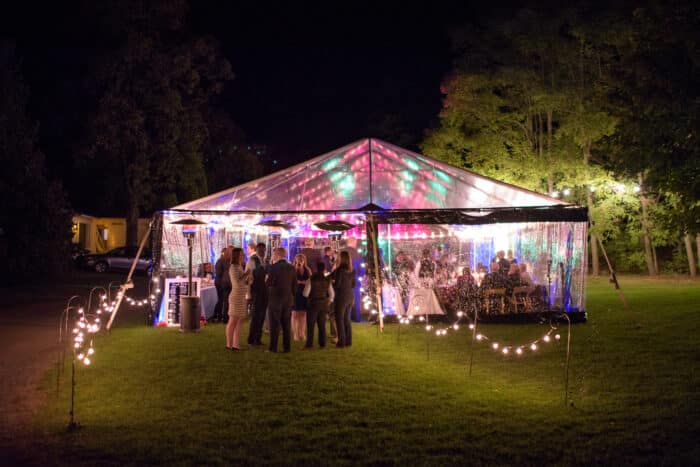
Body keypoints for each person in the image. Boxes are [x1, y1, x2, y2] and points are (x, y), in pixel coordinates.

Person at [266, 247, 296, 353]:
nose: (272, 256)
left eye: (274, 254)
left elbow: (269, 283)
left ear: (277, 254)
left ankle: (273, 348)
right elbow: (294, 285)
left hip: (275, 298)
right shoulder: (291, 267)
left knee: (274, 324)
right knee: (286, 324)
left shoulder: (273, 267)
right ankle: (286, 348)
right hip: (288, 299)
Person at [302, 262, 334, 348]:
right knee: (322, 325)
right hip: (323, 304)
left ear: (316, 268)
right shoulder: (327, 280)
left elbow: (305, 293)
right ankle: (322, 343)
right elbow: (331, 294)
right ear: (324, 269)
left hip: (313, 304)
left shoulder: (311, 279)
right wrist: (329, 301)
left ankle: (309, 344)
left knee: (310, 325)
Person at [226, 247, 250, 350]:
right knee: (233, 320)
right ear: (236, 255)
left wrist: (247, 280)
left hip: (241, 296)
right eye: (241, 254)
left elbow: (242, 281)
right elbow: (237, 282)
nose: (243, 255)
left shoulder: (239, 266)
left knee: (239, 321)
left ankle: (236, 344)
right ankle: (229, 344)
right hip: (236, 297)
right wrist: (246, 274)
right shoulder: (233, 267)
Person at [332, 251, 356, 348]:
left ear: (341, 258)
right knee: (347, 319)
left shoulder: (339, 270)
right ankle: (348, 341)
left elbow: (337, 285)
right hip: (350, 296)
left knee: (339, 319)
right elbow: (353, 284)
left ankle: (341, 341)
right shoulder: (352, 270)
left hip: (341, 297)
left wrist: (332, 282)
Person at [246, 242, 268, 346]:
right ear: (257, 250)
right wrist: (248, 295)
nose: (263, 252)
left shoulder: (265, 260)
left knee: (262, 316)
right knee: (255, 316)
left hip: (265, 292)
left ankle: (258, 339)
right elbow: (249, 278)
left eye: (264, 250)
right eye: (261, 250)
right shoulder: (252, 260)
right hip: (255, 291)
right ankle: (251, 339)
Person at [291, 253, 311, 341]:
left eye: (301, 260)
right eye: (298, 260)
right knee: (295, 314)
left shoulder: (307, 270)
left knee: (303, 314)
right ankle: (295, 334)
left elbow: (310, 281)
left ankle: (302, 333)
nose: (299, 262)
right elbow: (291, 280)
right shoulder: (292, 269)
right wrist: (296, 268)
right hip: (295, 293)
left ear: (304, 261)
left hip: (304, 294)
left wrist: (303, 282)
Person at [212, 247, 231, 323]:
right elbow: (218, 273)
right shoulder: (220, 261)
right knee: (221, 300)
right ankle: (217, 315)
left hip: (223, 282)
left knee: (222, 300)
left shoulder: (226, 261)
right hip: (220, 283)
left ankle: (220, 315)